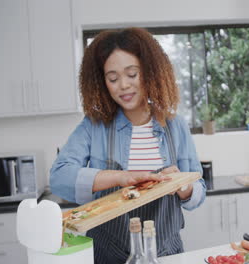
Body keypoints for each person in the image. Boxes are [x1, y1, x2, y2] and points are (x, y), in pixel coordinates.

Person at [50, 27, 206, 264]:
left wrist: (181, 186)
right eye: (112, 78)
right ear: (102, 82)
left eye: (132, 74)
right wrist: (120, 177)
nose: (123, 85)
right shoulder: (94, 126)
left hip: (168, 253)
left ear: (150, 73)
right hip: (107, 254)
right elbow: (59, 177)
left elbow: (199, 191)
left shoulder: (175, 125)